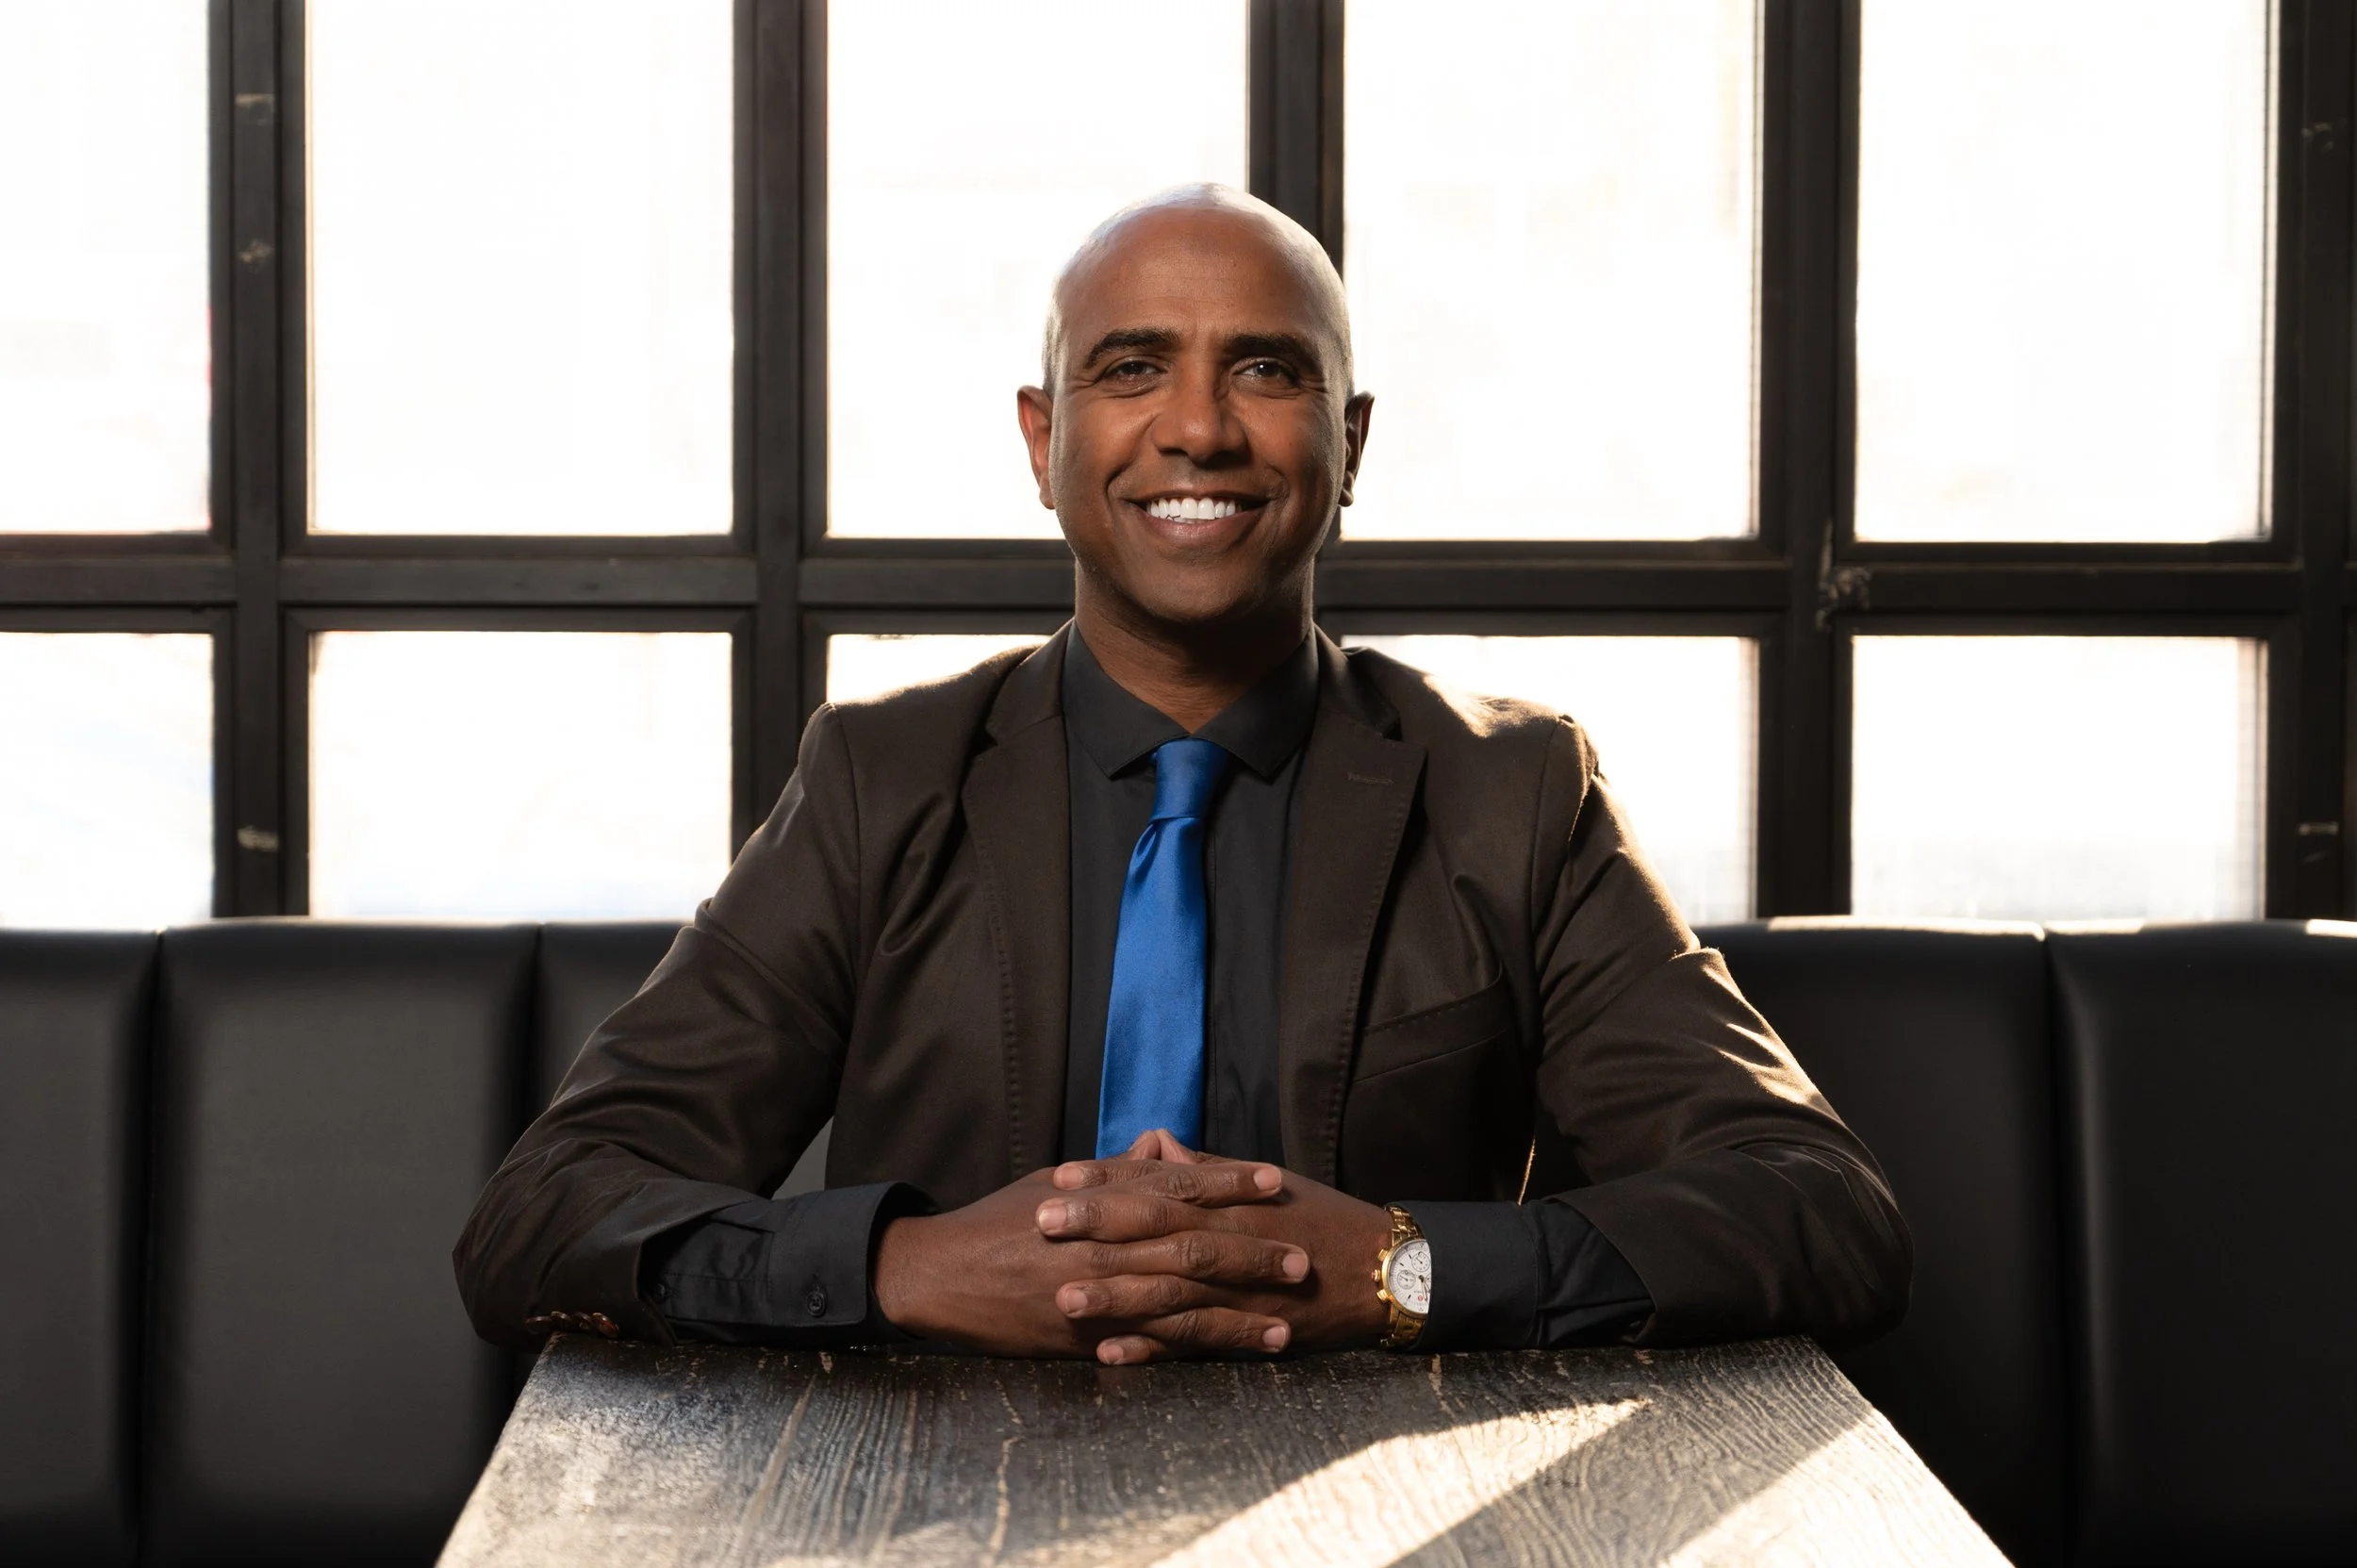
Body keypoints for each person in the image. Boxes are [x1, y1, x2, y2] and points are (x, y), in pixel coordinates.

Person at [454, 185, 1908, 1365]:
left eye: (1266, 371)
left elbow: (1818, 1210)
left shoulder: (1514, 792)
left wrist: (1399, 1270)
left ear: (1347, 443)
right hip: (931, 1505)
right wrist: (905, 1266)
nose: (1199, 427)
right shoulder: (875, 779)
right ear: (1046, 439)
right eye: (1132, 365)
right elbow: (544, 1215)